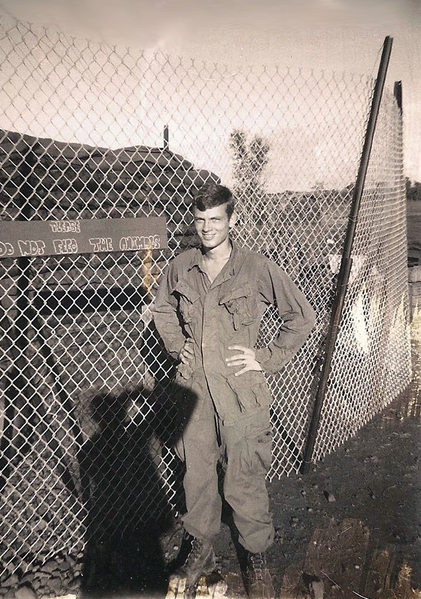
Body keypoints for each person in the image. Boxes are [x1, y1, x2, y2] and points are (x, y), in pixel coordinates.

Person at [152, 182, 316, 599]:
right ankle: (200, 553)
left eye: (215, 220)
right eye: (200, 219)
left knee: (244, 478)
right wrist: (177, 346)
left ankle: (256, 559)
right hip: (194, 392)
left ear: (232, 221)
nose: (206, 228)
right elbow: (163, 308)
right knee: (198, 474)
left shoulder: (256, 269)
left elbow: (302, 316)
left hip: (241, 393)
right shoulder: (182, 266)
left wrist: (268, 356)